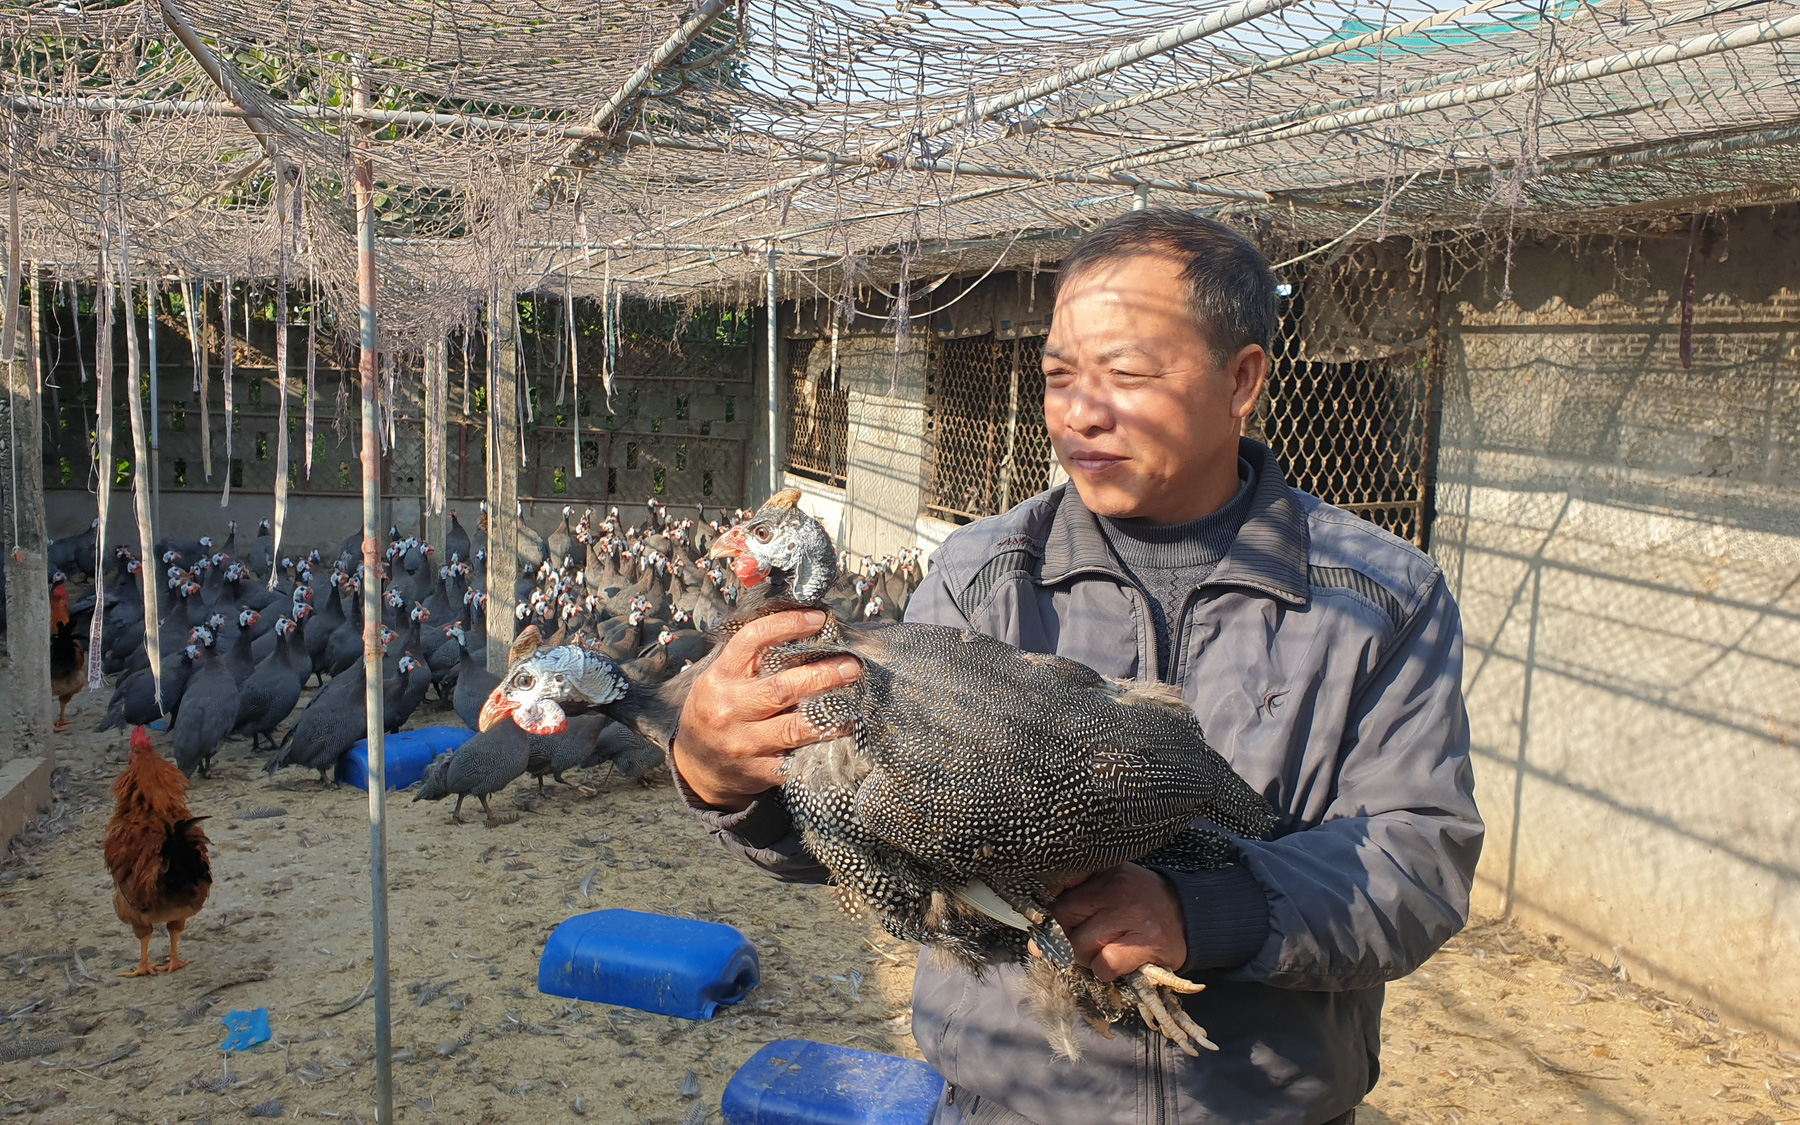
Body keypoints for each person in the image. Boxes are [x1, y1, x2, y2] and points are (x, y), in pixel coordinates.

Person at [671, 209, 1483, 1125]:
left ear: (1243, 379)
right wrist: (724, 783)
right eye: (1059, 376)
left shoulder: (1377, 598)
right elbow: (881, 831)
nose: (1080, 409)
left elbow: (1418, 859)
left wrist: (1203, 911)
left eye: (1127, 372)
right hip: (1010, 1100)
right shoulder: (981, 576)